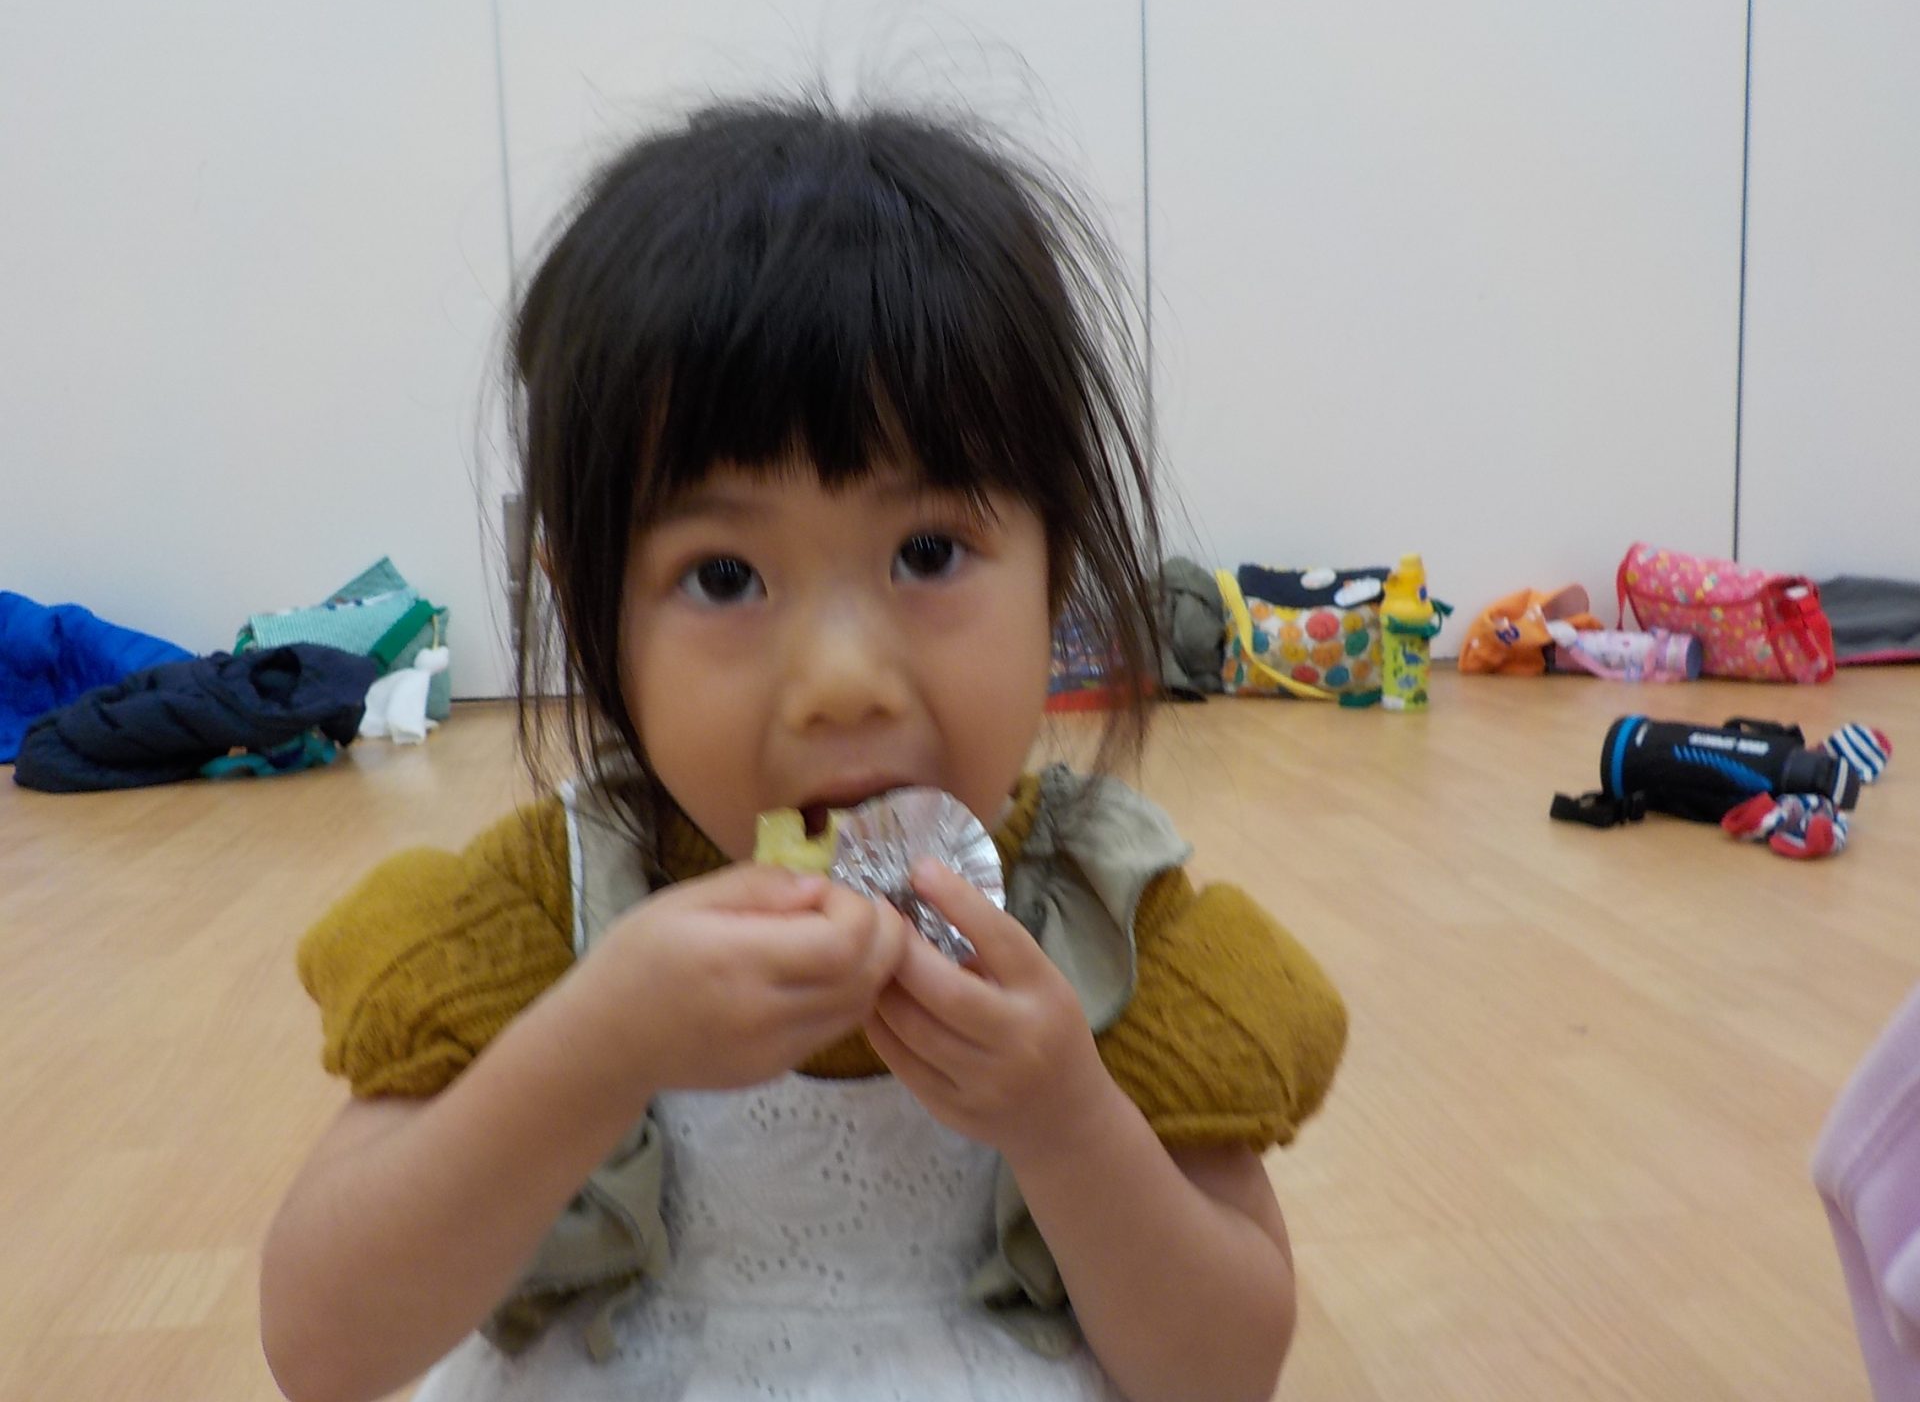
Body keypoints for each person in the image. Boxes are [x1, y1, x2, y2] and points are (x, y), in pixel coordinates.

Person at [259, 96, 1347, 1402]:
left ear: (1058, 568)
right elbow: (325, 1348)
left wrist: (1068, 1122)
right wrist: (593, 1049)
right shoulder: (551, 916)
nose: (840, 684)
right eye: (724, 575)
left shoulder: (1110, 928)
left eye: (928, 553)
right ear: (592, 613)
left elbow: (1222, 1371)